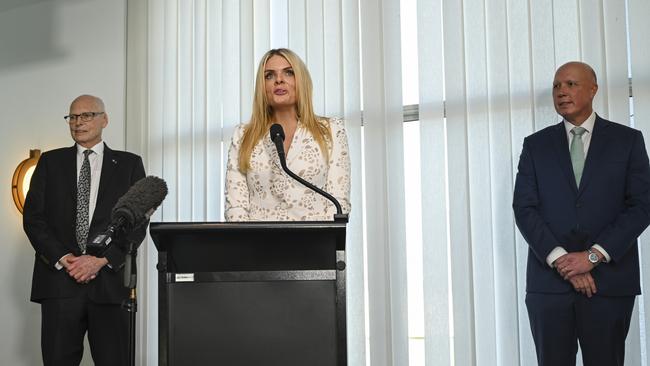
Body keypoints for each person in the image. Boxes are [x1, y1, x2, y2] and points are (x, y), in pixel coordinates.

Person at [513, 61, 650, 366]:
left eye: (571, 84)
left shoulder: (628, 141)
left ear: (593, 89)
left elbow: (642, 205)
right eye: (557, 86)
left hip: (609, 284)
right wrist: (563, 260)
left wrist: (591, 257)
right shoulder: (535, 146)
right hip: (549, 286)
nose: (561, 91)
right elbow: (524, 208)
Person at [23, 95, 146, 366]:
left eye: (87, 115)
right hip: (59, 286)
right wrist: (65, 258)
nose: (79, 123)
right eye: (73, 117)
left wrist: (101, 260)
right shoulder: (49, 163)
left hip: (109, 284)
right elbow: (33, 219)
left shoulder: (129, 165)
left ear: (105, 119)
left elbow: (136, 224)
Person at [225, 48, 351, 221]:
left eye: (289, 73)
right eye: (269, 75)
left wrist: (321, 244)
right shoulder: (243, 135)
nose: (279, 80)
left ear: (301, 81)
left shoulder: (331, 130)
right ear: (262, 87)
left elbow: (339, 202)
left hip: (314, 244)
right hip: (257, 245)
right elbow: (236, 208)